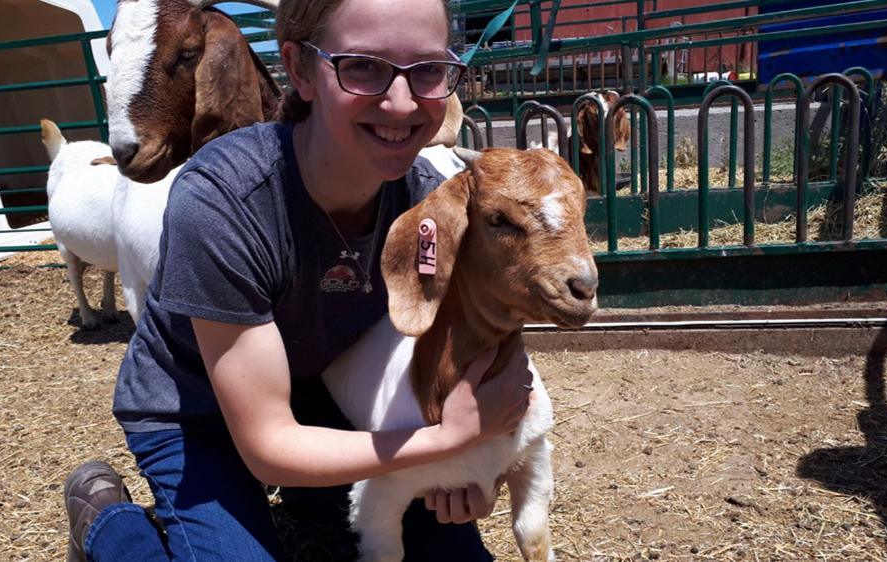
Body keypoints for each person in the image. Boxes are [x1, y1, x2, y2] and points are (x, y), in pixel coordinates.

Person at [61, 0, 535, 560]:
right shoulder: (226, 199)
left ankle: (312, 506)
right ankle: (104, 520)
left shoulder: (429, 203)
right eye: (363, 65)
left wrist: (475, 466)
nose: (403, 101)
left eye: (428, 70)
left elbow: (465, 339)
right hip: (195, 409)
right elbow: (269, 445)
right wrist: (446, 441)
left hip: (322, 387)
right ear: (301, 69)